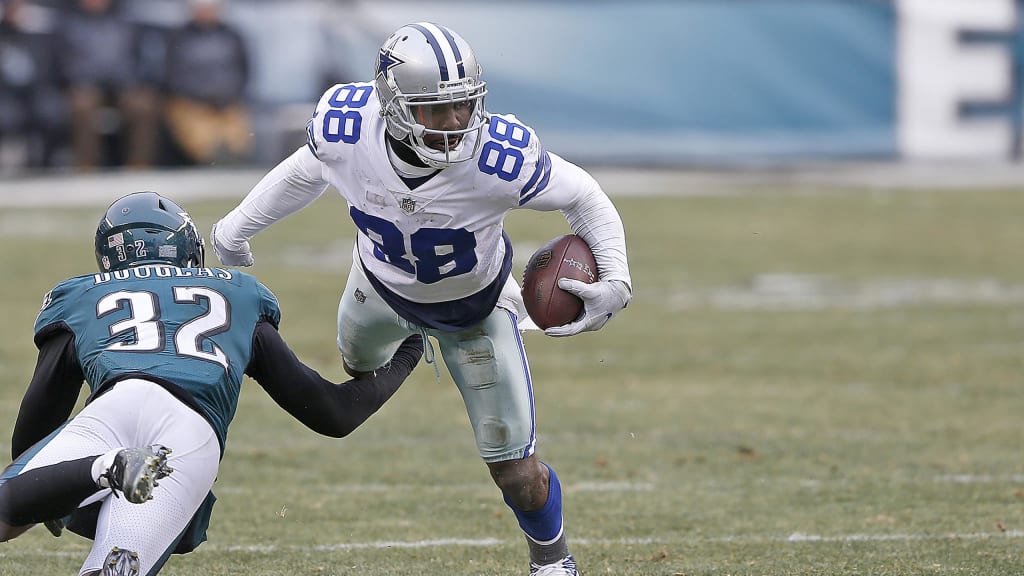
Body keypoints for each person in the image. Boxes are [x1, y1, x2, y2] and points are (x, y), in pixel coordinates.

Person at [211, 22, 632, 576]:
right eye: (437, 110)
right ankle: (409, 344)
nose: (457, 123)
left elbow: (583, 195)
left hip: (474, 311)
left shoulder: (498, 156)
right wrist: (237, 228)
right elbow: (307, 169)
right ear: (392, 104)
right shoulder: (346, 128)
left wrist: (617, 279)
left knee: (516, 472)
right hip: (377, 288)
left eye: (464, 106)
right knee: (357, 368)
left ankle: (552, 560)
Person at [0, 192, 423, 576]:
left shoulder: (82, 296)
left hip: (113, 410)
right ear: (187, 248)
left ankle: (104, 467)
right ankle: (110, 469)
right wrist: (407, 353)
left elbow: (32, 439)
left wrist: (58, 497)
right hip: (188, 435)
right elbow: (334, 413)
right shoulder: (236, 293)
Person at [53, 0, 160, 169]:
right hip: (85, 85)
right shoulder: (68, 24)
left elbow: (139, 59)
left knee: (144, 104)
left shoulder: (126, 20)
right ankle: (86, 165)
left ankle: (139, 164)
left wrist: (128, 78)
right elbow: (63, 63)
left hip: (123, 84)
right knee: (82, 105)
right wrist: (86, 77)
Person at [163, 0, 252, 165]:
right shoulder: (179, 37)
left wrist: (228, 94)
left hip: (227, 101)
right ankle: (211, 156)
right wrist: (200, 95)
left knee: (236, 130)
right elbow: (172, 75)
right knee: (198, 131)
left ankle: (233, 154)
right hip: (191, 102)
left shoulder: (233, 35)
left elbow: (244, 71)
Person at [0, 0, 67, 169]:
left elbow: (53, 67)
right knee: (7, 116)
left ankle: (47, 161)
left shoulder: (43, 30)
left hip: (38, 91)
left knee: (51, 111)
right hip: (6, 94)